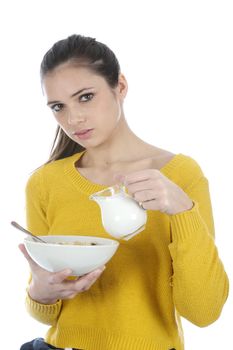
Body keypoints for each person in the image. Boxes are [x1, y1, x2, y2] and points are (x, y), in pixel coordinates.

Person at [19, 34, 229, 350]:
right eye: (58, 107)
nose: (73, 119)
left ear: (121, 86)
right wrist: (40, 292)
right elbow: (47, 314)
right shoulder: (45, 183)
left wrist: (183, 211)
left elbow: (204, 312)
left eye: (85, 97)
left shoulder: (180, 175)